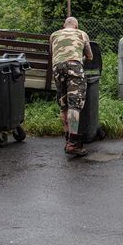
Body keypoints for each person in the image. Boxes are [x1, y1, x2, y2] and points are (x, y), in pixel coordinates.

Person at [50, 17, 93, 157]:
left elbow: (53, 53)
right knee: (74, 105)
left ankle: (68, 139)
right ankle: (73, 144)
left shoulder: (54, 35)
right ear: (76, 25)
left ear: (64, 25)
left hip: (57, 68)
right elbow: (90, 56)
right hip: (74, 67)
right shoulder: (82, 34)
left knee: (64, 106)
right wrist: (80, 59)